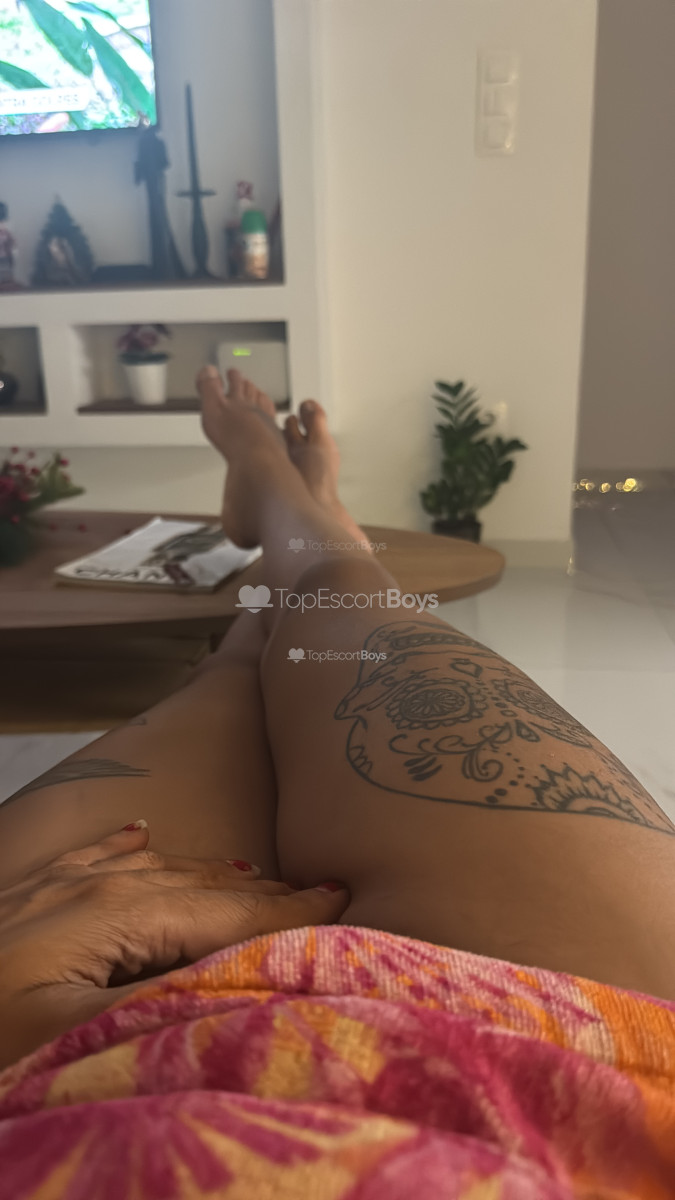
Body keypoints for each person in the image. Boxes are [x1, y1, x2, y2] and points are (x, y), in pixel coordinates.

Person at [0, 368, 673, 1199]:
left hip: (46, 1082)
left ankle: (282, 509)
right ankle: (298, 508)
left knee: (231, 676)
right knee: (336, 592)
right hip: (573, 1066)